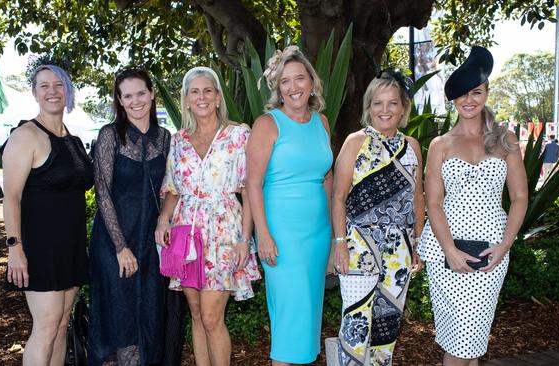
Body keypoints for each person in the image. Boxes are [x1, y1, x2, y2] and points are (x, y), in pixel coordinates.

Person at [417, 46, 528, 366]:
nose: (469, 100)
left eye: (476, 92)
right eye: (463, 94)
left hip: (492, 249)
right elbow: (434, 203)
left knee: (472, 338)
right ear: (453, 98)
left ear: (486, 93)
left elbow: (520, 197)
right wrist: (449, 249)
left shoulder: (506, 140)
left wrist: (505, 245)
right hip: (444, 251)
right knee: (461, 339)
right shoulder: (440, 145)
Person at [154, 66, 261, 366]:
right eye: (194, 91)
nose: (201, 97)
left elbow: (248, 189)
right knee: (197, 314)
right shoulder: (178, 141)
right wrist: (164, 220)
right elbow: (173, 189)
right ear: (186, 99)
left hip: (224, 230)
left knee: (213, 316)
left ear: (217, 98)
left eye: (208, 91)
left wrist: (245, 239)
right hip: (186, 232)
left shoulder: (238, 135)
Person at [330, 71, 425, 365]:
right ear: (368, 107)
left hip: (401, 247)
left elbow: (417, 197)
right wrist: (340, 244)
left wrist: (419, 243)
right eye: (377, 103)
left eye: (392, 103)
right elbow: (338, 196)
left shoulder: (413, 146)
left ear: (403, 108)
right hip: (359, 244)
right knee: (356, 320)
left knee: (388, 322)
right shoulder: (355, 141)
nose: (385, 110)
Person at [246, 46, 333, 365]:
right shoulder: (267, 124)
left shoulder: (321, 122)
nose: (294, 87)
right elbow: (252, 184)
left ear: (312, 82)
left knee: (308, 317)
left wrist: (335, 237)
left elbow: (327, 177)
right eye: (285, 81)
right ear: (277, 88)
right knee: (288, 320)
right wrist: (263, 235)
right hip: (281, 235)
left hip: (318, 234)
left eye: (300, 78)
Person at [3, 63, 94, 366]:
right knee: (45, 327)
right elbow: (11, 197)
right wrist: (14, 248)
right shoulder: (25, 136)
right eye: (44, 86)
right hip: (41, 249)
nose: (52, 91)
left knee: (61, 325)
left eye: (59, 85)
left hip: (71, 247)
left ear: (68, 90)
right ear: (35, 93)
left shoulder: (74, 139)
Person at [88, 67, 175, 365]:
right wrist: (120, 247)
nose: (136, 100)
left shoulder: (165, 138)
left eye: (141, 93)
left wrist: (165, 222)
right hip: (114, 243)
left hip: (150, 244)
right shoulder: (110, 135)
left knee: (148, 315)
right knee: (119, 318)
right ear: (120, 101)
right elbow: (103, 193)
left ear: (151, 94)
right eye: (128, 95)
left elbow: (168, 189)